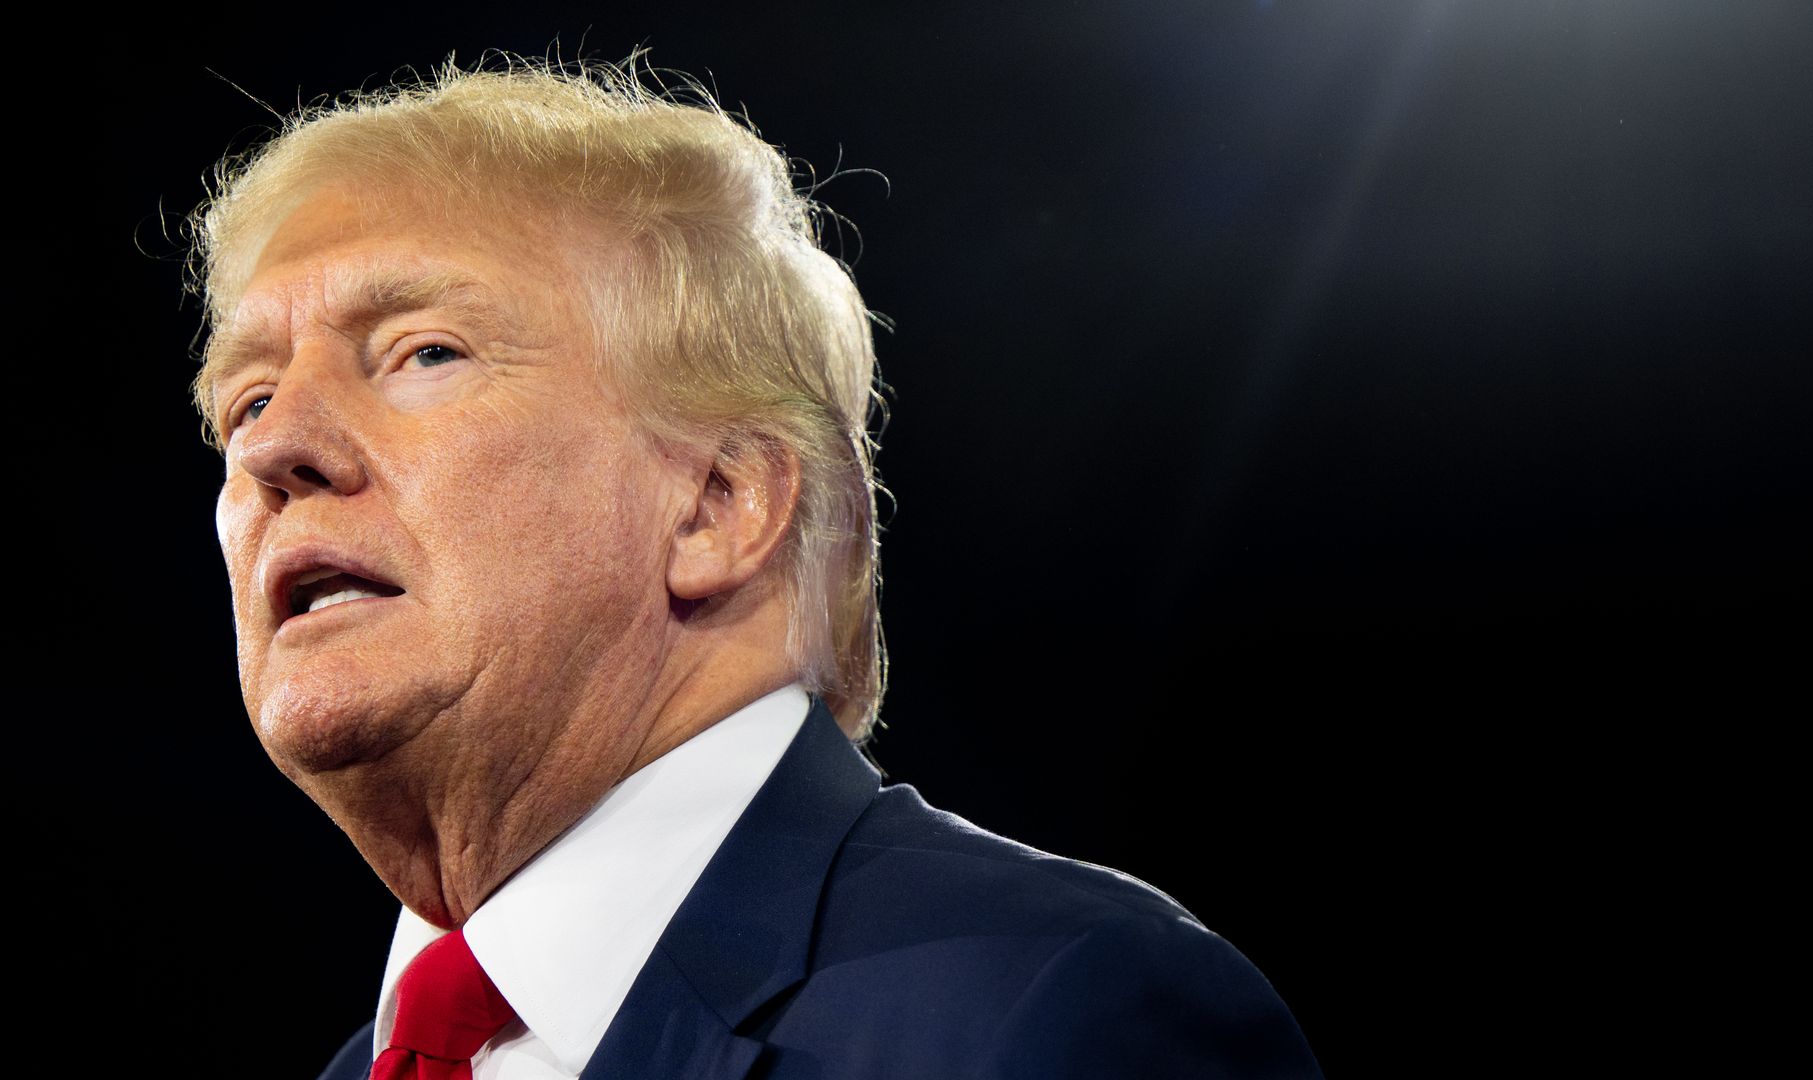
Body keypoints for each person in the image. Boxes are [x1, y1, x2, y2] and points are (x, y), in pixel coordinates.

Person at [192, 55, 1321, 1080]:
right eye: (244, 399)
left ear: (719, 504)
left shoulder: (1051, 1016)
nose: (272, 446)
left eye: (423, 353)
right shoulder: (371, 1068)